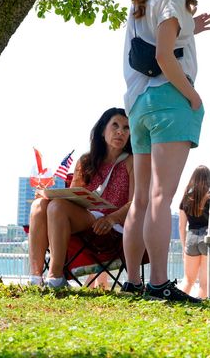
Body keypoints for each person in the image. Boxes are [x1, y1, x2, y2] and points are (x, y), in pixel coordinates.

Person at [121, 0, 210, 302]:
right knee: (161, 196)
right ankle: (159, 282)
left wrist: (192, 29)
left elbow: (154, 45)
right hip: (168, 99)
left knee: (141, 198)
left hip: (139, 103)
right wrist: (192, 96)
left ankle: (133, 280)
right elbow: (163, 56)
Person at [28, 107, 133, 288]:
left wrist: (111, 218)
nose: (120, 132)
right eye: (115, 125)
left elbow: (136, 202)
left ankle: (55, 276)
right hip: (86, 216)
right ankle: (35, 277)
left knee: (57, 206)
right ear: (102, 131)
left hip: (113, 224)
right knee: (39, 205)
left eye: (126, 128)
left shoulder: (133, 161)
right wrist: (48, 195)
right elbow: (73, 195)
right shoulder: (86, 161)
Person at [178, 166, 210, 298]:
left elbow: (181, 226)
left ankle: (178, 304)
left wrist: (184, 247)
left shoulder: (185, 199)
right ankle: (200, 307)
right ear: (208, 179)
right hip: (208, 238)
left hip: (191, 238)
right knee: (205, 283)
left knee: (188, 280)